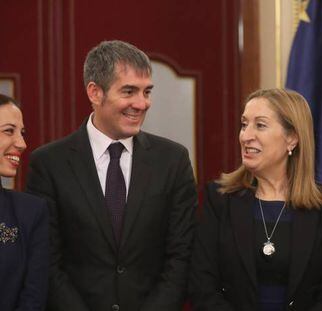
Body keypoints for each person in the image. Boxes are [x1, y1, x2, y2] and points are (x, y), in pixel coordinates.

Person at [26, 40, 197, 311]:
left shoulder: (173, 161)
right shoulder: (49, 164)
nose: (141, 104)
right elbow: (46, 261)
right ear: (95, 92)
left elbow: (181, 257)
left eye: (147, 92)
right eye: (129, 91)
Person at [190, 88, 322, 310]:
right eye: (244, 125)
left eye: (260, 125)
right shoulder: (219, 200)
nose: (245, 135)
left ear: (292, 138)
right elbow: (202, 288)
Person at [0, 94, 48, 311]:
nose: (22, 143)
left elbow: (33, 298)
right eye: (9, 131)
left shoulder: (31, 212)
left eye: (22, 133)